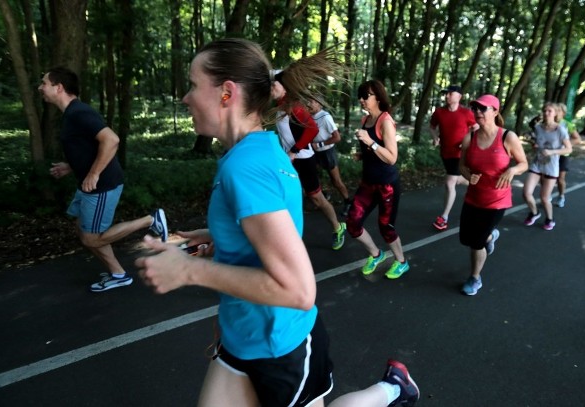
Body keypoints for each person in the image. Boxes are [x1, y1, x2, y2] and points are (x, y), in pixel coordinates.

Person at [135, 38, 419, 407]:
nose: (185, 98)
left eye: (192, 85)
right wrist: (223, 238)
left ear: (226, 93)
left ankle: (393, 388)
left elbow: (299, 291)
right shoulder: (261, 147)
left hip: (279, 346)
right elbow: (274, 227)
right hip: (242, 336)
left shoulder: (246, 166)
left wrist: (189, 271)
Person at [39, 67, 168, 292]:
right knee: (82, 230)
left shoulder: (79, 112)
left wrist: (93, 174)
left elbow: (111, 140)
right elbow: (89, 146)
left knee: (91, 238)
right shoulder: (71, 114)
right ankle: (118, 274)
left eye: (44, 83)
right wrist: (71, 166)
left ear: (58, 88)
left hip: (101, 186)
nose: (40, 87)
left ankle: (150, 220)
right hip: (88, 185)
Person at [458, 94, 528, 296]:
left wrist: (512, 171)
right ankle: (491, 236)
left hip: (497, 200)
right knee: (466, 238)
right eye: (475, 108)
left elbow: (523, 163)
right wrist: (468, 175)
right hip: (473, 197)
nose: (478, 112)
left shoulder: (508, 137)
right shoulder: (469, 137)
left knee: (476, 242)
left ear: (495, 112)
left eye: (483, 108)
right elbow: (462, 165)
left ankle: (474, 278)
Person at [271, 75, 346, 251]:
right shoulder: (280, 106)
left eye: (274, 85)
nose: (271, 88)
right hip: (289, 159)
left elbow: (312, 128)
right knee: (286, 194)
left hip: (303, 159)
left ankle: (337, 227)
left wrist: (294, 150)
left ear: (285, 88)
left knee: (316, 198)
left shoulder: (295, 107)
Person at [346, 80, 410, 280]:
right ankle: (376, 254)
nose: (362, 100)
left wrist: (370, 142)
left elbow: (392, 158)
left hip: (387, 185)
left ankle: (401, 262)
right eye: (361, 96)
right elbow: (370, 150)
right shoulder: (366, 121)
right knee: (352, 223)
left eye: (366, 96)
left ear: (378, 97)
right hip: (368, 183)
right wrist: (362, 154)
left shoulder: (386, 121)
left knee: (385, 227)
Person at [429, 85, 479, 231]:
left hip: (460, 154)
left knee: (450, 182)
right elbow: (432, 127)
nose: (447, 96)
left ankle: (444, 218)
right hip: (445, 153)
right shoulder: (439, 112)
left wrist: (466, 142)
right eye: (446, 94)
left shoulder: (466, 113)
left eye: (451, 94)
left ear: (459, 96)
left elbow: (476, 128)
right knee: (457, 180)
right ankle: (476, 181)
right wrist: (435, 137)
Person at [522, 102, 572, 230]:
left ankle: (550, 219)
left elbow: (568, 149)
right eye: (545, 110)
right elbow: (538, 144)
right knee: (526, 193)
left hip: (551, 166)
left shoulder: (560, 129)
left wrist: (552, 151)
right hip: (537, 164)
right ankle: (534, 213)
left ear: (555, 113)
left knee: (544, 198)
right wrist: (535, 145)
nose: (546, 113)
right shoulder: (538, 128)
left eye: (549, 111)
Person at [307, 96, 353, 217]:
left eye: (311, 102)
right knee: (314, 177)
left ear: (319, 104)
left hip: (327, 152)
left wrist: (320, 144)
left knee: (336, 181)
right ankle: (325, 196)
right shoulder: (310, 117)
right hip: (315, 152)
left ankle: (348, 202)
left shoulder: (325, 117)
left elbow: (337, 137)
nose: (308, 104)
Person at [554, 102, 582, 208]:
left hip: (563, 154)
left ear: (563, 113)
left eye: (559, 111)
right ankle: (547, 195)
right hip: (550, 154)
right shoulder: (548, 123)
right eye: (555, 110)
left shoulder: (567, 124)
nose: (556, 113)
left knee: (560, 178)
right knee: (545, 178)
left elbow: (578, 139)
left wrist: (566, 144)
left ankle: (561, 196)